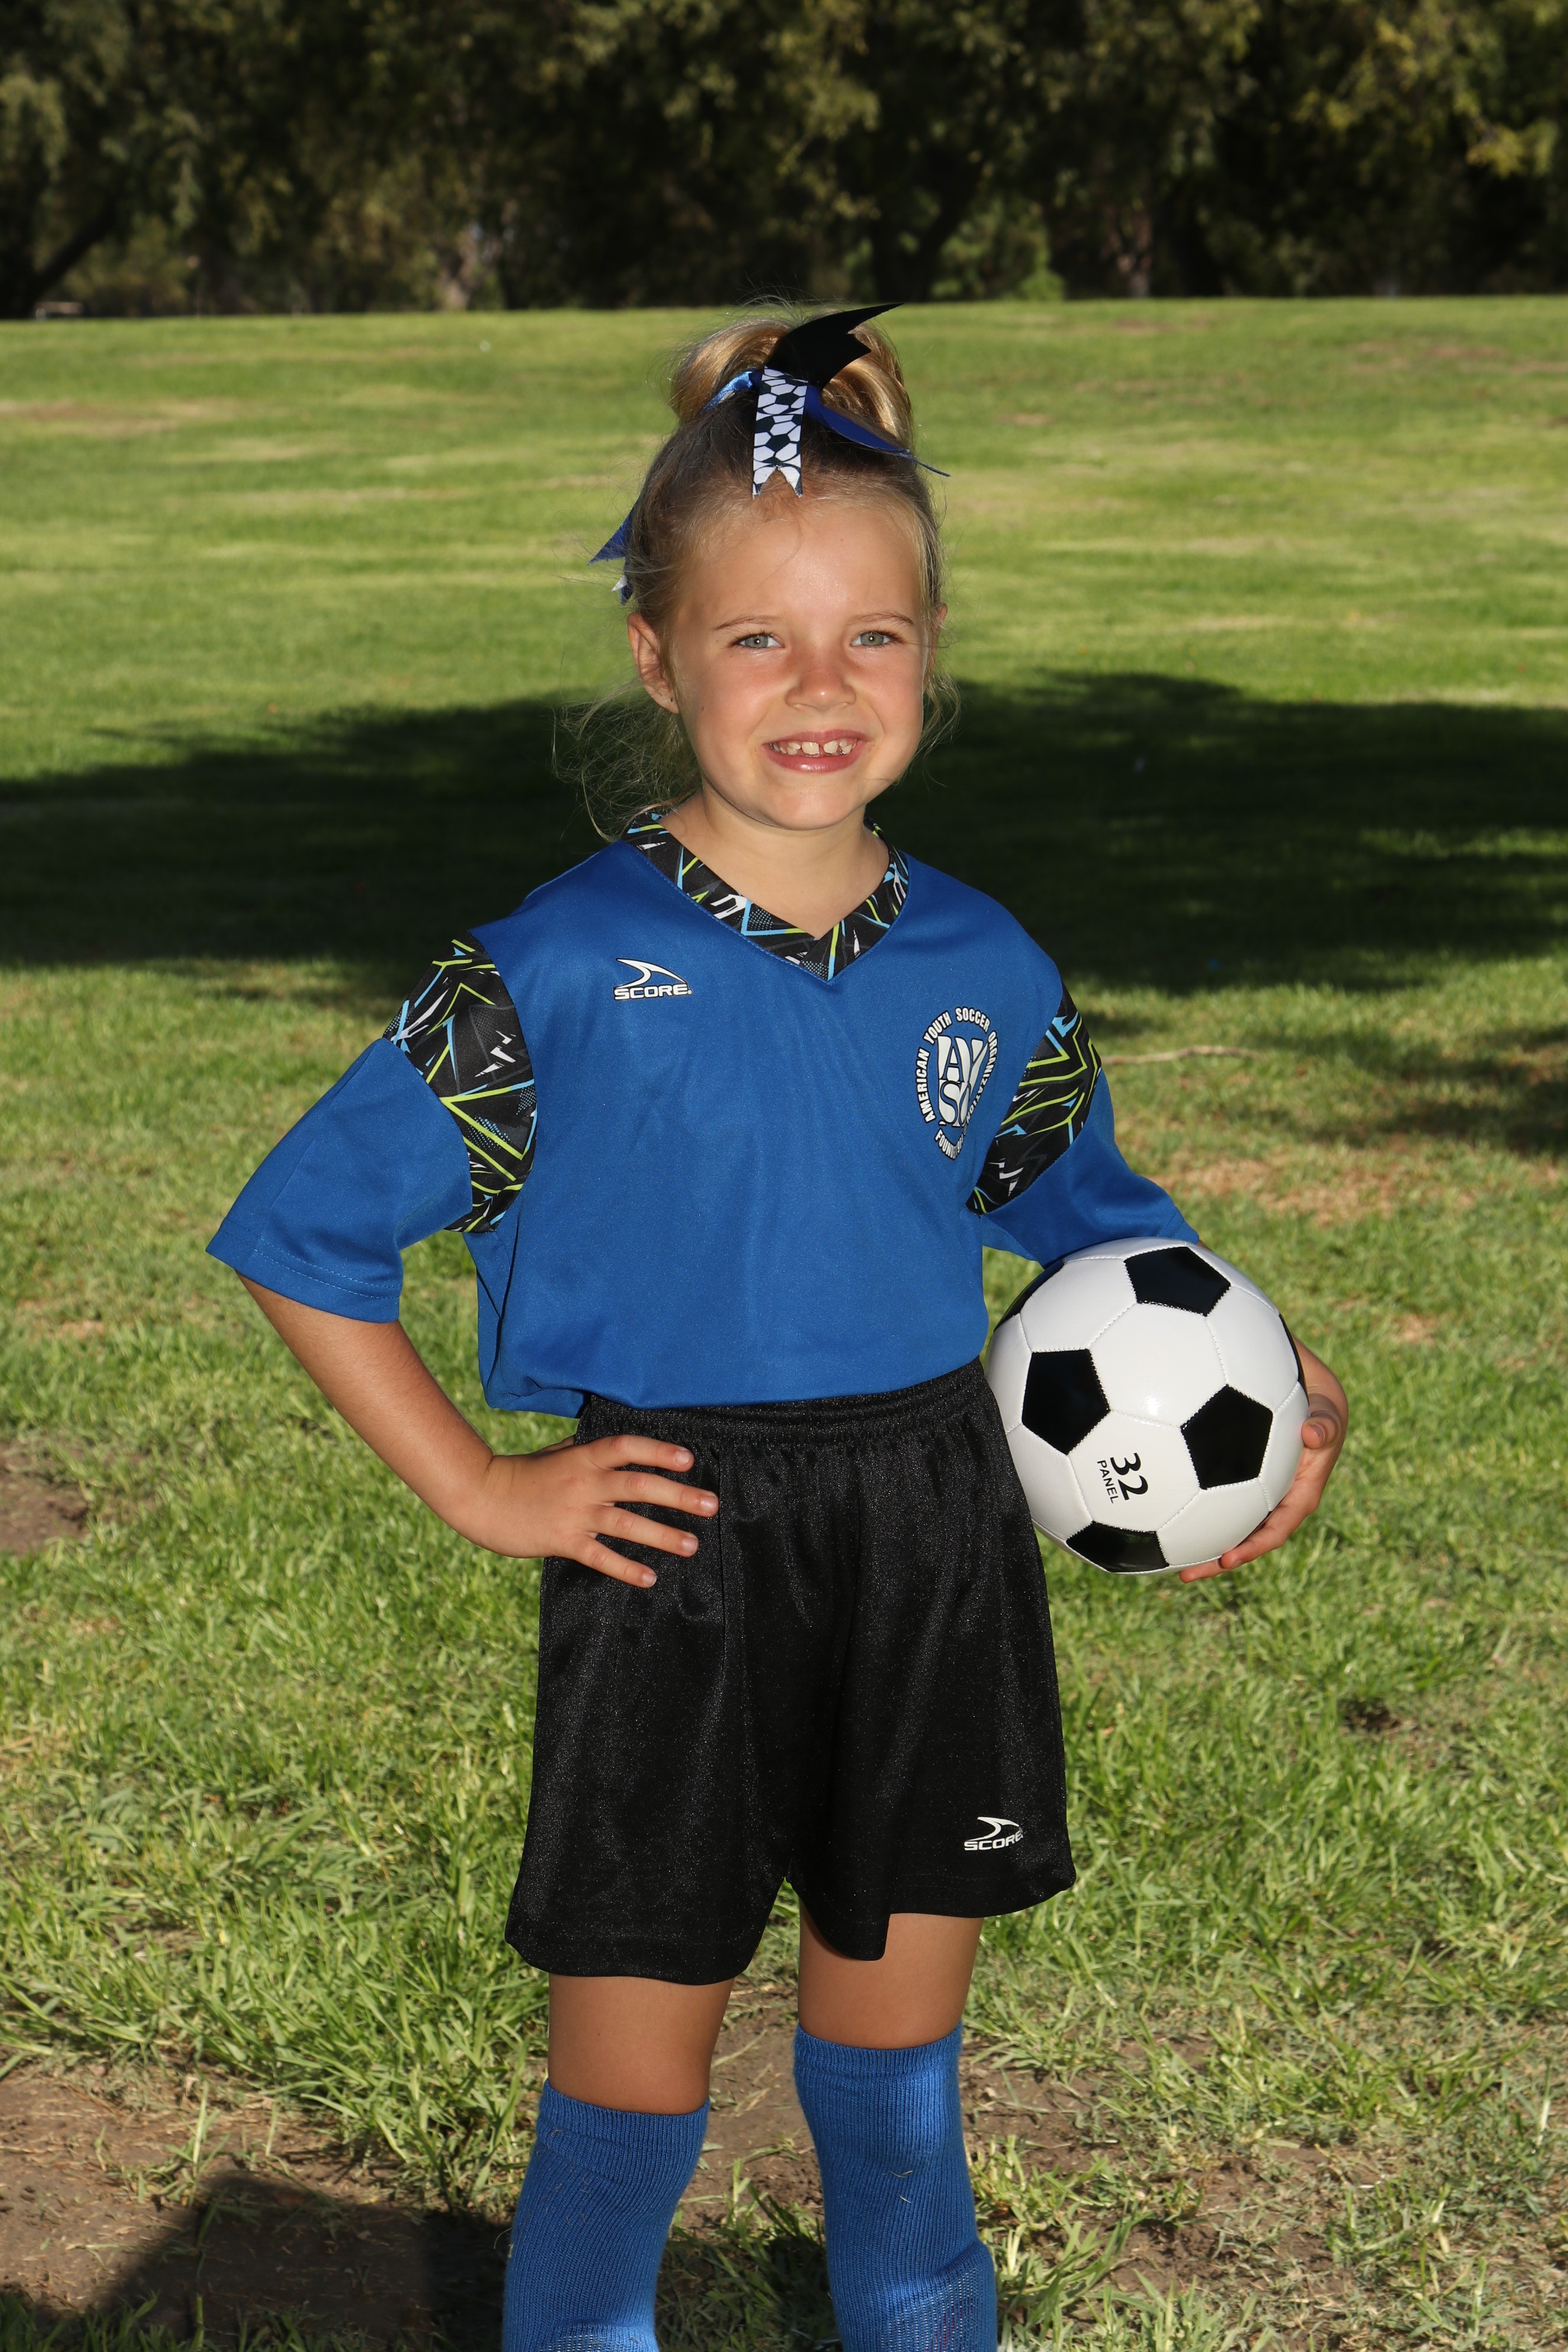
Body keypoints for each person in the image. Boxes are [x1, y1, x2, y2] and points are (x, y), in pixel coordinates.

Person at [208, 306, 1348, 2352]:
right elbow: (305, 1232)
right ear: (659, 657)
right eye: (759, 638)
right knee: (628, 2103)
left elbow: (1094, 1219)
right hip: (677, 1550)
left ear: (933, 651)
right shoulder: (551, 969)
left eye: (871, 636)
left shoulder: (984, 960)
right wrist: (482, 1485)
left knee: (898, 2100)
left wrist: (1261, 1371)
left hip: (934, 1535)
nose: (821, 687)